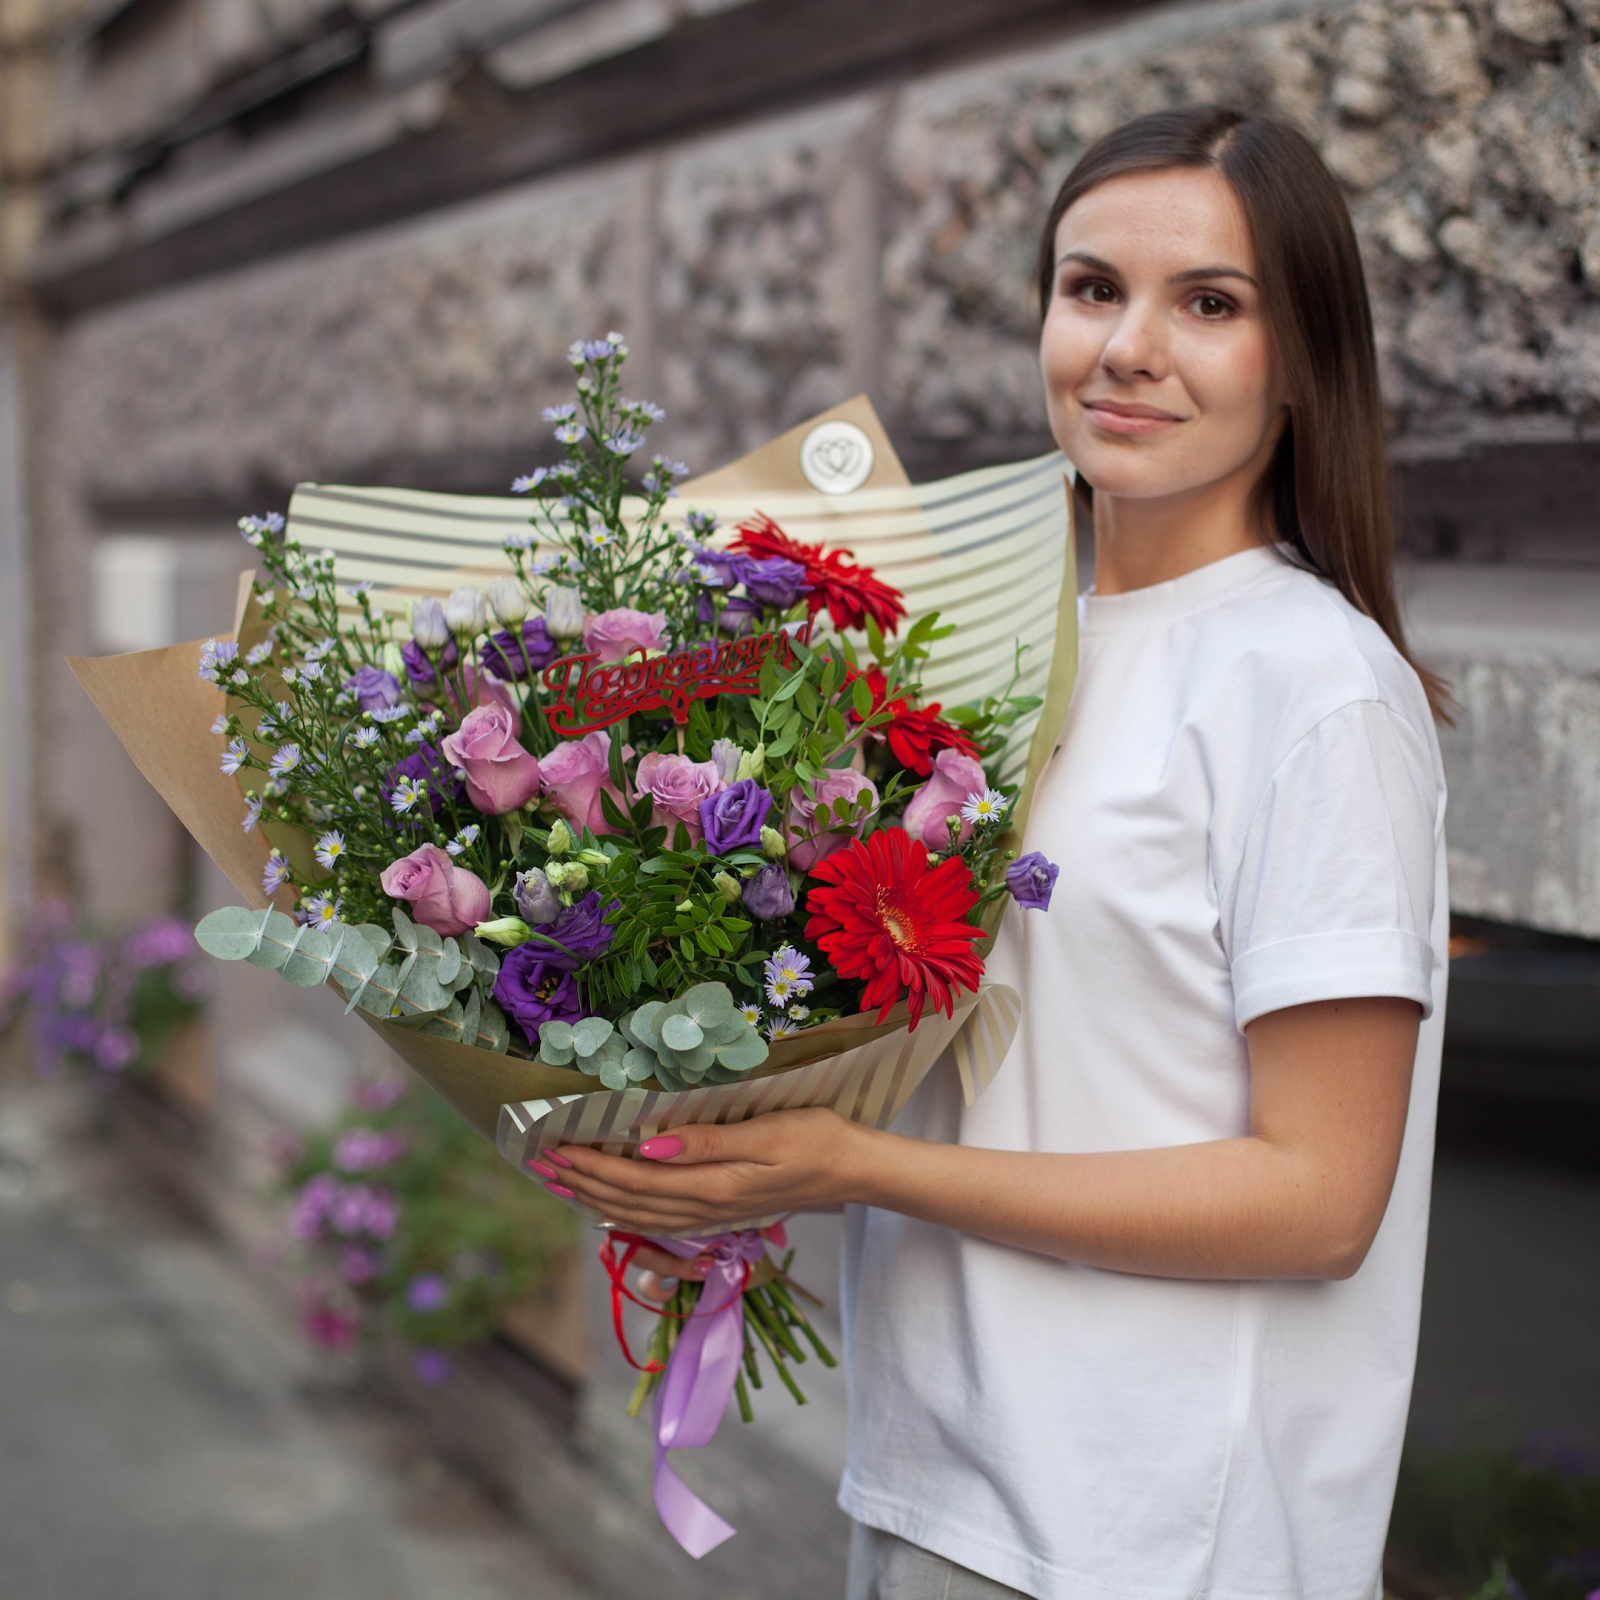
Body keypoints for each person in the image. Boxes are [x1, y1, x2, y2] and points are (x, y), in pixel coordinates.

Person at [541, 106, 1449, 1600]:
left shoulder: (1314, 687)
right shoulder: (996, 651)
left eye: (1209, 305)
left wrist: (859, 1167)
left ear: (1302, 364)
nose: (1128, 347)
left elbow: (1317, 1197)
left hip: (1145, 1531)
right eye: (1093, 289)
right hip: (938, 1470)